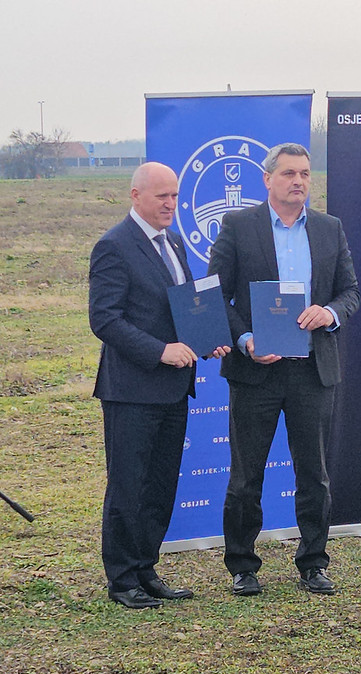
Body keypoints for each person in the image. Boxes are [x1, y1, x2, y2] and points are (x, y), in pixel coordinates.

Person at [208, 143, 360, 597]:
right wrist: (244, 339)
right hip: (255, 371)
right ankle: (242, 565)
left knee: (314, 475)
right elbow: (215, 294)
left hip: (312, 371)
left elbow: (350, 292)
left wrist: (328, 313)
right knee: (246, 476)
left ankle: (313, 563)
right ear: (268, 179)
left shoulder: (330, 228)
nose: (299, 181)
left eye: (305, 174)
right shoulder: (238, 226)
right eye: (289, 173)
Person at [89, 162, 229, 609]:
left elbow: (182, 307)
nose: (171, 204)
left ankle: (146, 569)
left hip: (173, 389)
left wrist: (206, 340)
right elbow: (105, 319)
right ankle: (122, 580)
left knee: (160, 485)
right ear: (136, 196)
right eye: (161, 196)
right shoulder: (113, 246)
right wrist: (160, 351)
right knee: (129, 485)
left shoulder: (174, 242)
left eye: (175, 196)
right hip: (131, 391)